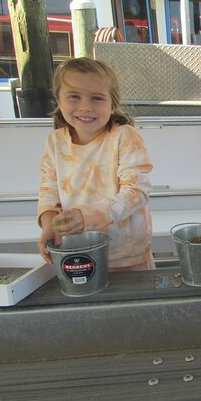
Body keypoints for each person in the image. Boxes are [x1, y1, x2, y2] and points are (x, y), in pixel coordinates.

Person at [37, 57, 154, 272]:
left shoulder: (124, 136)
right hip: (76, 253)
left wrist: (86, 217)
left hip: (127, 257)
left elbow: (136, 192)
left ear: (113, 104)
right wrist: (49, 227)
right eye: (74, 97)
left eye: (97, 98)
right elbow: (49, 194)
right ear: (59, 100)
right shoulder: (55, 142)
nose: (85, 107)